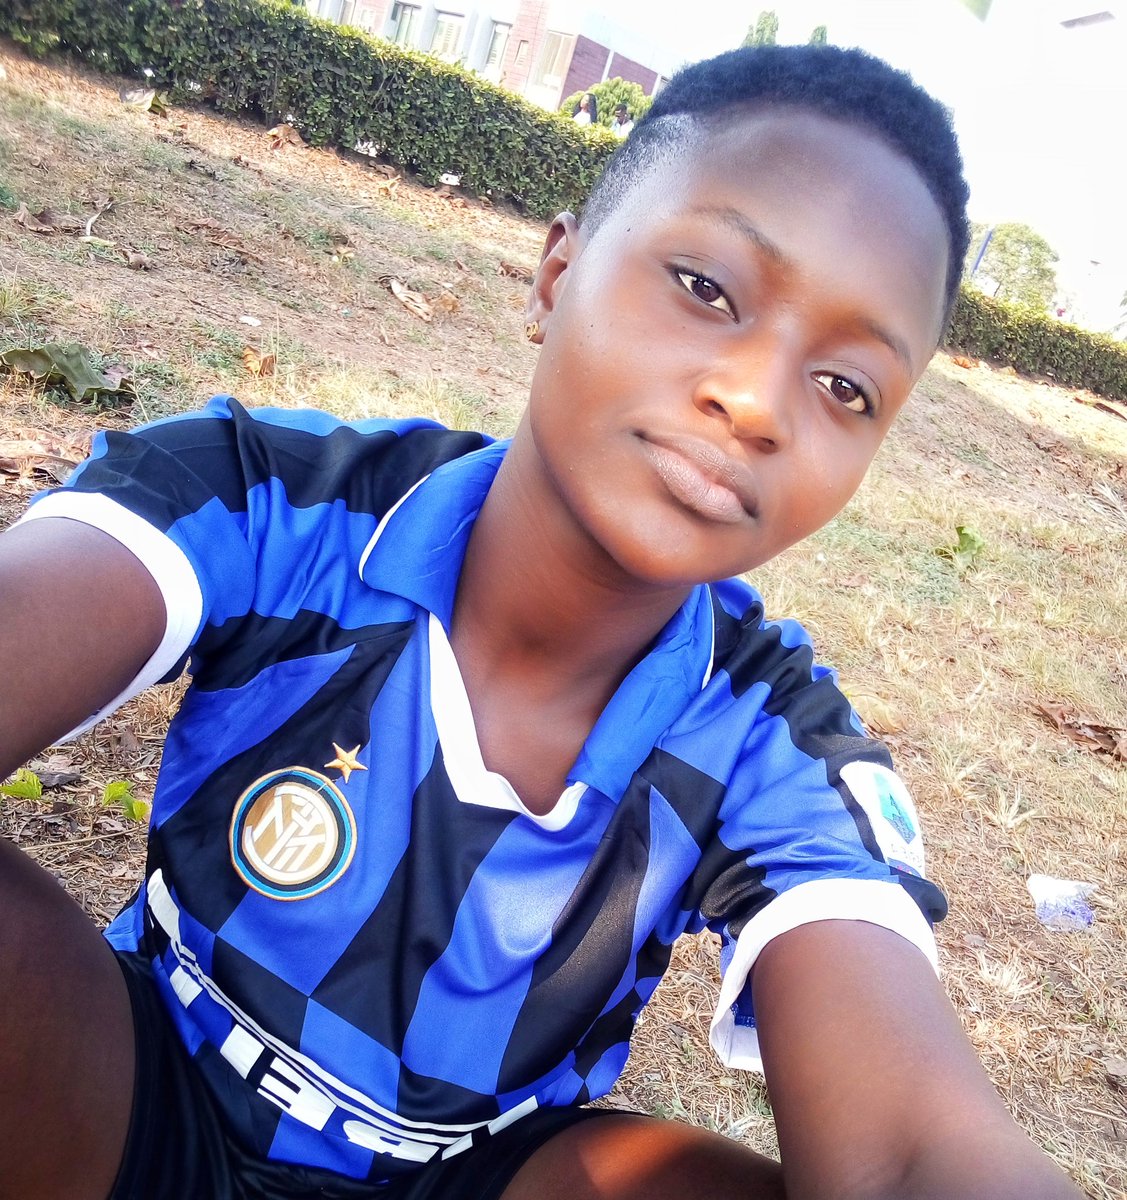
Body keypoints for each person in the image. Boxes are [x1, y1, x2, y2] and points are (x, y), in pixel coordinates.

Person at [0, 43, 1083, 1200]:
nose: (755, 401)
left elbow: (910, 1153)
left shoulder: (773, 748)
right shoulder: (270, 503)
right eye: (705, 287)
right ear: (556, 274)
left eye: (844, 387)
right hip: (128, 1102)